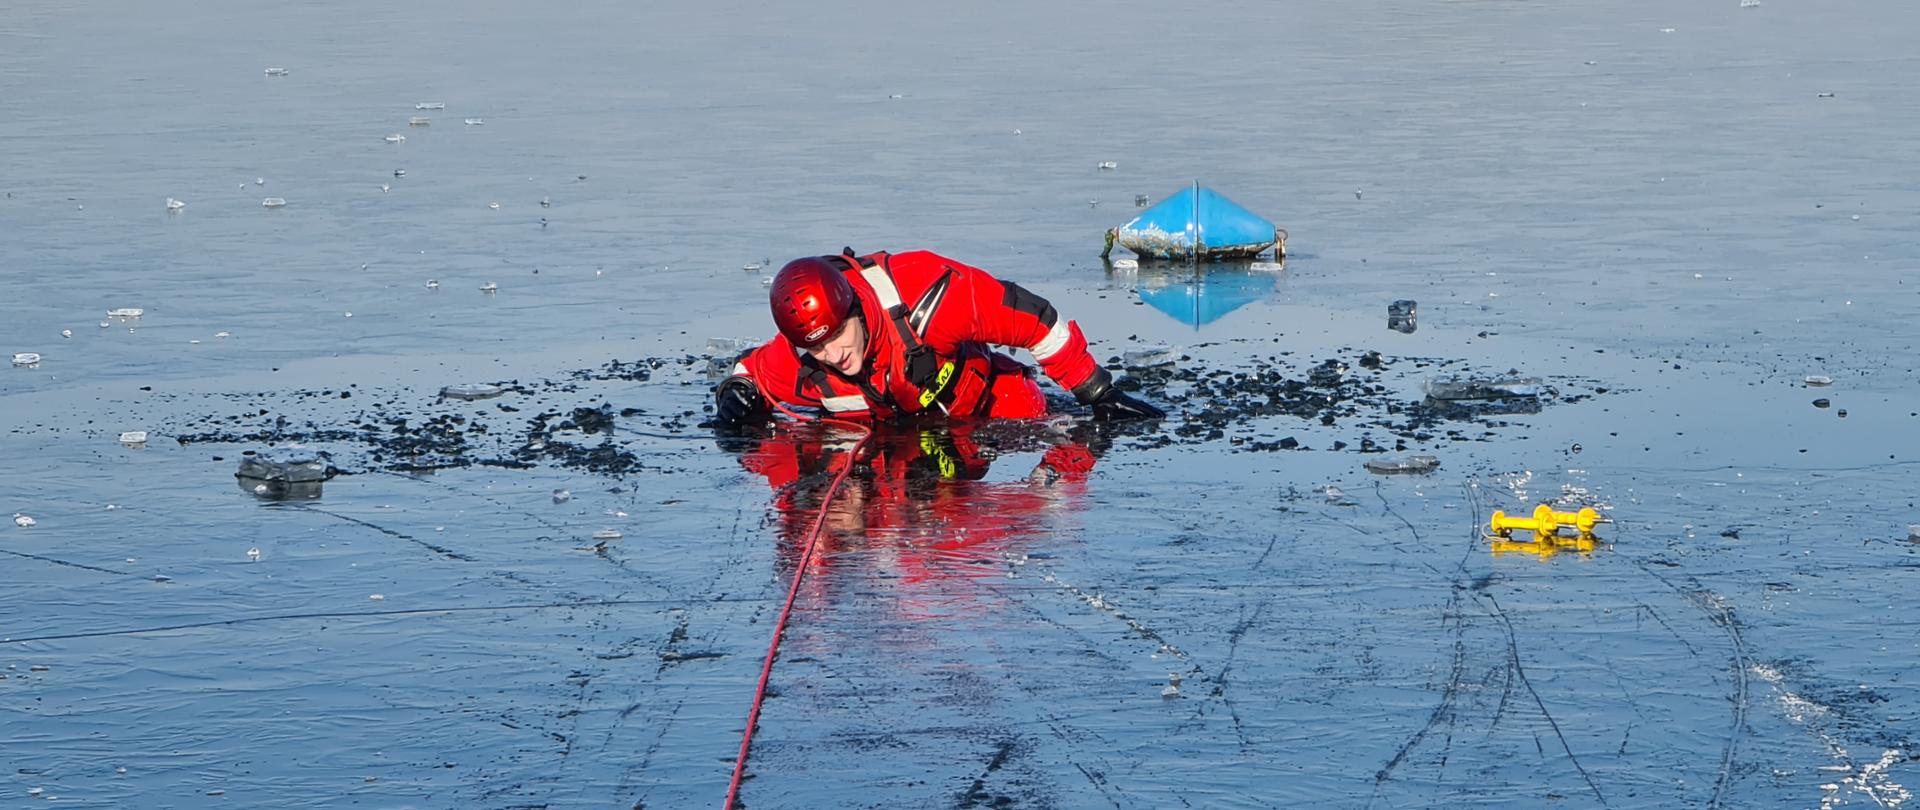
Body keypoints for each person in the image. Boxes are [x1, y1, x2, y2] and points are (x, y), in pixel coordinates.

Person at [711, 248, 1165, 427]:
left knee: (1029, 412)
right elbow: (752, 372)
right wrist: (735, 394)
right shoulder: (803, 357)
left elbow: (1035, 320)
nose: (833, 355)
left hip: (988, 407)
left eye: (836, 336)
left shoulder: (930, 293)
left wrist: (1096, 391)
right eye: (816, 347)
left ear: (853, 306)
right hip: (892, 457)